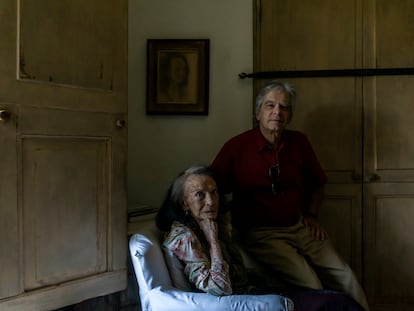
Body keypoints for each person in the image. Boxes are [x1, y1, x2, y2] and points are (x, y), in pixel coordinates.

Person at [210, 80, 370, 311]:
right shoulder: (236, 147)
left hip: (299, 227)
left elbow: (318, 183)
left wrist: (312, 215)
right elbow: (213, 188)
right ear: (257, 113)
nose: (277, 112)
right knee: (311, 284)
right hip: (261, 234)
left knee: (345, 277)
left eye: (284, 107)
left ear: (290, 115)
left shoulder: (299, 143)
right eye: (270, 105)